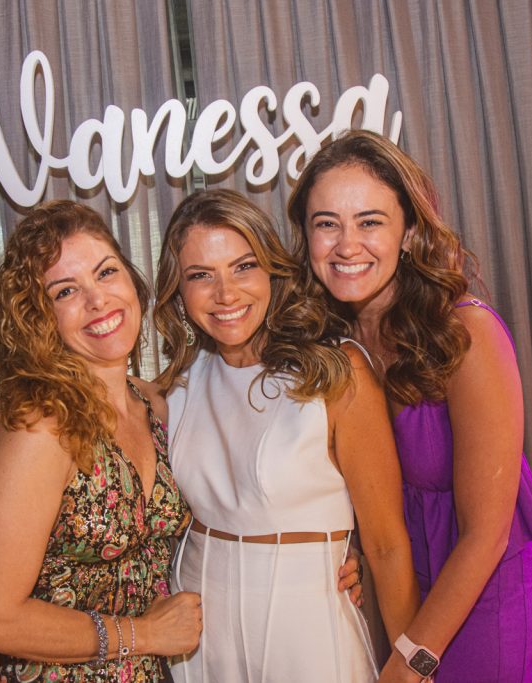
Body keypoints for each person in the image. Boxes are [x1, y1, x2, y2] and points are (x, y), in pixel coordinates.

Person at [287, 129, 532, 682]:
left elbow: (487, 534)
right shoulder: (331, 348)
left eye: (370, 222)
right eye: (326, 224)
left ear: (408, 231)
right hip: (402, 590)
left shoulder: (466, 332)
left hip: (486, 591)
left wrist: (411, 660)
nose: (346, 245)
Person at [153, 189, 420, 682]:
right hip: (200, 640)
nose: (226, 294)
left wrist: (411, 668)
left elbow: (386, 544)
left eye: (243, 266)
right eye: (200, 276)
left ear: (273, 272)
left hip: (308, 634)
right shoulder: (180, 385)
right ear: (178, 290)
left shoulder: (338, 372)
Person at [0, 200, 202, 682]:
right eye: (66, 290)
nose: (98, 301)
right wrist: (143, 635)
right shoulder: (38, 426)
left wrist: (330, 551)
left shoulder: (155, 402)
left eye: (106, 272)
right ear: (40, 317)